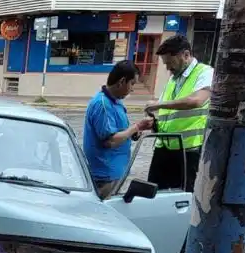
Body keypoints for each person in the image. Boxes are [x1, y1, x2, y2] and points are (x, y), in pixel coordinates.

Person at [144, 35, 213, 192]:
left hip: (187, 150)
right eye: (165, 64)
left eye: (170, 63)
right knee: (154, 194)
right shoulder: (174, 78)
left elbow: (196, 100)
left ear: (186, 55)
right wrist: (153, 121)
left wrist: (158, 104)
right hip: (164, 147)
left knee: (183, 198)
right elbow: (167, 109)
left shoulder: (205, 73)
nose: (168, 68)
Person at [83, 61, 154, 199]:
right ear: (122, 81)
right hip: (104, 176)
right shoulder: (102, 104)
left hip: (114, 173)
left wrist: (136, 132)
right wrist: (137, 126)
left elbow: (121, 132)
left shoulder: (116, 102)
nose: (132, 89)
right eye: (132, 84)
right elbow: (110, 141)